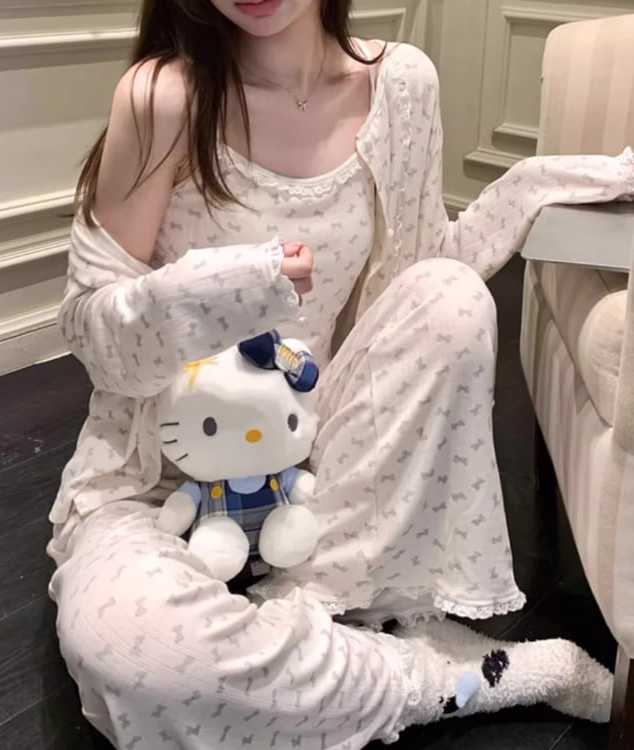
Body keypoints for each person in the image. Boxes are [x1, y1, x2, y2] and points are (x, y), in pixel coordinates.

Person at [47, 1, 634, 747]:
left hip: (308, 463)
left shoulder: (401, 85)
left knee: (452, 298)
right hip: (158, 479)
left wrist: (532, 185)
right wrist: (226, 290)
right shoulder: (165, 96)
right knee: (136, 652)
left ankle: (303, 621)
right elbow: (96, 341)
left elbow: (420, 281)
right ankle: (451, 679)